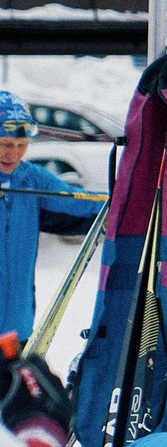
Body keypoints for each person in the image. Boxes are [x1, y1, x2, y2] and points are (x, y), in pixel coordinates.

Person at [0, 91, 103, 341]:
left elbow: (78, 202)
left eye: (21, 146)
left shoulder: (31, 178)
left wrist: (122, 202)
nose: (13, 155)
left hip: (16, 329)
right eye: (5, 145)